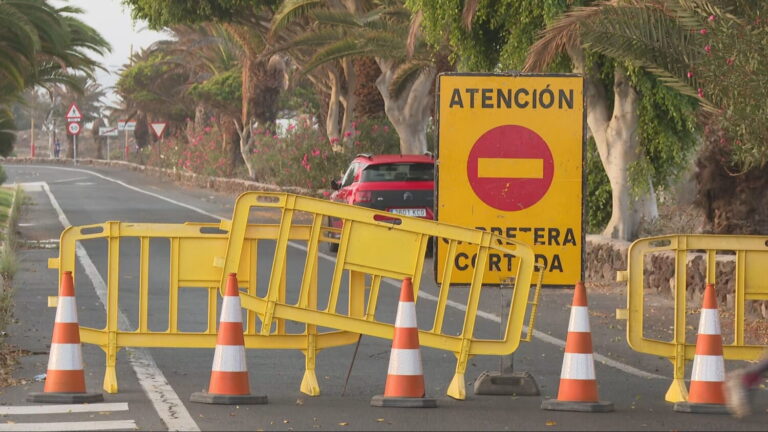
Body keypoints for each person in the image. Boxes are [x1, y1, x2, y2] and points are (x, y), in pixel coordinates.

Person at [725, 351, 768, 418]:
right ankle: (741, 410)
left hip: (747, 377)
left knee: (739, 391)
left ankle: (740, 410)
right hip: (751, 377)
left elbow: (759, 367)